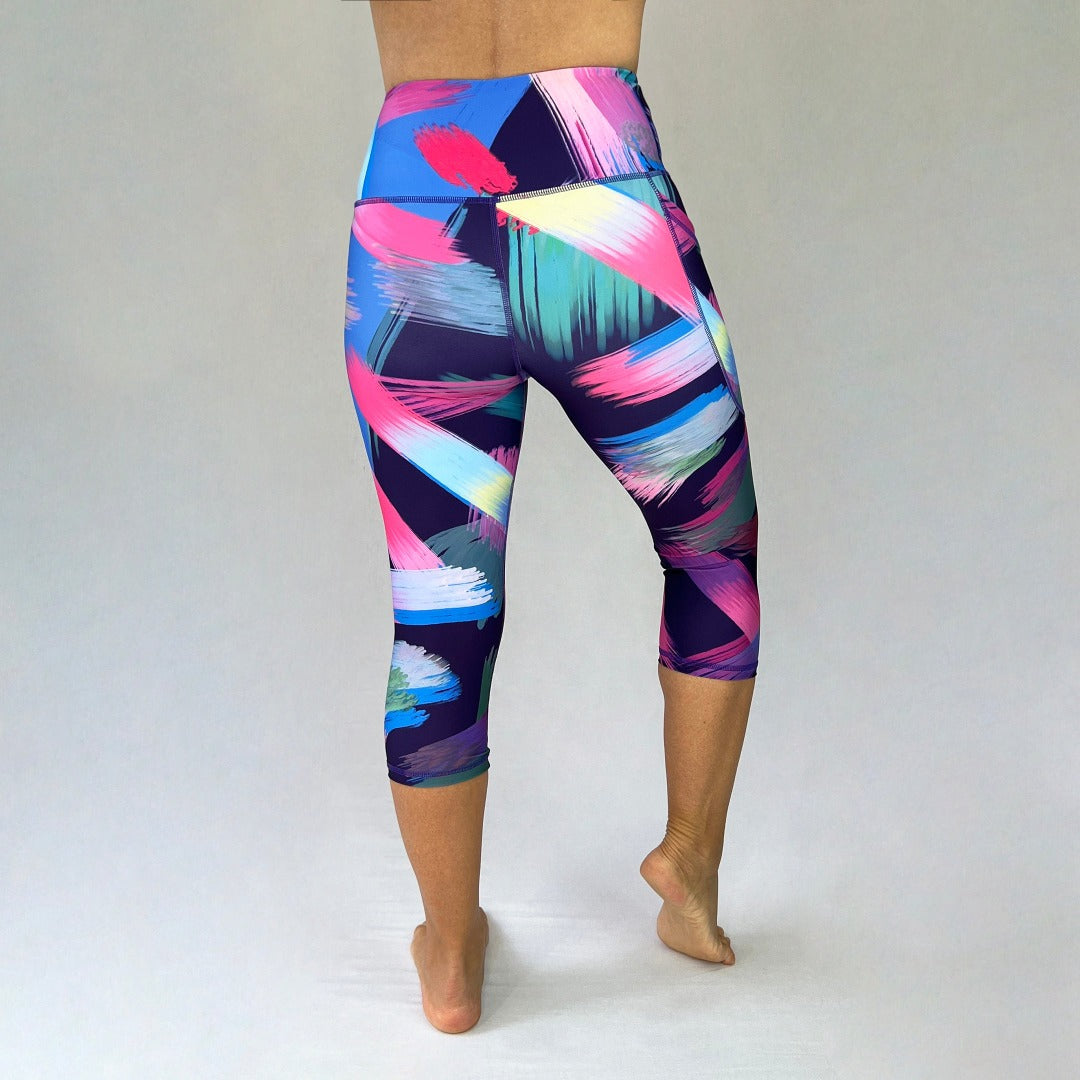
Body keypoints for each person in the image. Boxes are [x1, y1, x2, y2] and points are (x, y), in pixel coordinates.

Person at [344, 0, 758, 1034]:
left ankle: (449, 957)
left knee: (441, 610)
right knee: (711, 552)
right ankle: (689, 864)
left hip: (414, 214)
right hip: (603, 192)